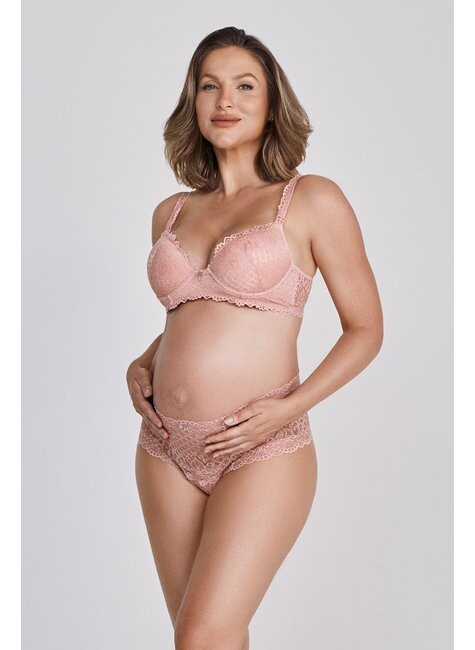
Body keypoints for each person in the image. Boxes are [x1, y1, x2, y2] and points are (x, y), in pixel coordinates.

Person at [126, 26, 383, 650]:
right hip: (164, 446)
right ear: (192, 101)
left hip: (263, 445)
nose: (225, 100)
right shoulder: (171, 212)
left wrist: (286, 409)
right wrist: (144, 360)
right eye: (209, 86)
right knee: (204, 637)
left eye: (245, 86)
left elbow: (366, 330)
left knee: (202, 634)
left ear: (272, 104)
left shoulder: (311, 199)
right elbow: (191, 315)